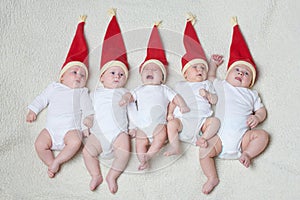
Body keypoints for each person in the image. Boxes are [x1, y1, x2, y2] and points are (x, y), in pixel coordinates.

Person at [202, 16, 269, 194]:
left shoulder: (252, 94)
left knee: (262, 135)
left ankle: (248, 154)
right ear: (228, 74)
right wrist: (213, 65)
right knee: (203, 152)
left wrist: (257, 117)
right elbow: (210, 78)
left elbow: (261, 110)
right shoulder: (223, 86)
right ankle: (211, 177)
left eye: (246, 73)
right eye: (236, 70)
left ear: (251, 81)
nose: (241, 73)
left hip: (242, 140)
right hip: (218, 138)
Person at [26, 16, 94, 178]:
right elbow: (42, 98)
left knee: (76, 142)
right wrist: (33, 109)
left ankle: (58, 161)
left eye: (83, 75)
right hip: (51, 130)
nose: (78, 76)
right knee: (39, 144)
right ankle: (51, 163)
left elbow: (88, 110)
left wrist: (86, 126)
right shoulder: (54, 87)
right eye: (74, 72)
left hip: (70, 131)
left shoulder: (82, 92)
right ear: (62, 77)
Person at [120, 22, 189, 171]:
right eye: (146, 69)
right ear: (141, 75)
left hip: (158, 124)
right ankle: (142, 158)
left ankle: (149, 155)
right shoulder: (139, 89)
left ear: (162, 78)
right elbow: (130, 96)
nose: (150, 70)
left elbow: (175, 97)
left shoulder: (164, 89)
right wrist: (126, 99)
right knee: (139, 141)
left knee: (160, 136)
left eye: (155, 69)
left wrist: (182, 105)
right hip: (142, 126)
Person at [82, 9, 130, 194]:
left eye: (121, 74)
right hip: (98, 132)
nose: (117, 76)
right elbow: (86, 110)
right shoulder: (95, 93)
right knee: (88, 152)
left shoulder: (125, 92)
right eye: (113, 73)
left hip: (119, 133)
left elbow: (132, 109)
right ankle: (95, 174)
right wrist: (84, 123)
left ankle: (112, 176)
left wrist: (132, 126)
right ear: (102, 77)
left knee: (124, 152)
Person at [164, 14, 221, 158]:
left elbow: (215, 100)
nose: (200, 70)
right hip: (181, 121)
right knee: (171, 125)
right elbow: (173, 100)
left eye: (203, 68)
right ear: (185, 74)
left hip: (202, 122)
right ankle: (175, 146)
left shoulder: (206, 84)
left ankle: (203, 138)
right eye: (195, 67)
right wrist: (170, 114)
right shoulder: (180, 85)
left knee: (215, 122)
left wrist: (208, 95)